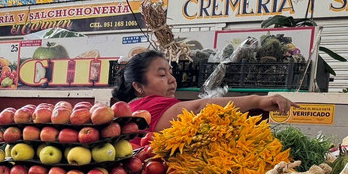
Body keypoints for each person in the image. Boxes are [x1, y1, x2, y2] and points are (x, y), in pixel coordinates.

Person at [111, 50, 294, 132]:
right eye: (161, 75)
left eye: (170, 72)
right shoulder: (150, 106)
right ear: (138, 86)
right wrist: (257, 101)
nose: (172, 79)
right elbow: (199, 108)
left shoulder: (130, 108)